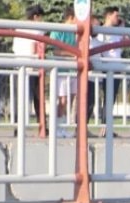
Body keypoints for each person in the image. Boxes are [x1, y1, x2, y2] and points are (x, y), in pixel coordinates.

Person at [11, 6, 45, 125]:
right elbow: (35, 48)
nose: (42, 20)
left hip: (19, 65)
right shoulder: (38, 29)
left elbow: (15, 48)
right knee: (38, 97)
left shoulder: (19, 28)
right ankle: (41, 124)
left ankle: (18, 126)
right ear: (36, 17)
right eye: (41, 17)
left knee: (20, 98)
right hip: (32, 66)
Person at [48, 7, 78, 137]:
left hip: (72, 70)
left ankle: (63, 127)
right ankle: (55, 126)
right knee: (63, 100)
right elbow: (55, 51)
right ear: (71, 17)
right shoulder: (58, 30)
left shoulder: (76, 32)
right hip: (61, 70)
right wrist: (72, 54)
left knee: (71, 100)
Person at [93, 6, 124, 125]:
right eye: (116, 16)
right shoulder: (102, 31)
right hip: (107, 68)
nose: (118, 18)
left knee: (112, 98)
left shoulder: (116, 32)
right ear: (108, 16)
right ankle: (104, 126)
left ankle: (107, 126)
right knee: (107, 97)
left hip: (117, 67)